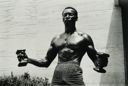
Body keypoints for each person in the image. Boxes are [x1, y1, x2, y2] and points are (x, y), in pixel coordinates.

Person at [16, 7, 109, 86]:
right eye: (65, 15)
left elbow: (95, 60)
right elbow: (46, 62)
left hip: (73, 70)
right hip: (58, 73)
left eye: (70, 14)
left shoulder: (84, 37)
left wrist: (101, 62)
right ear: (62, 18)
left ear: (76, 18)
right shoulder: (56, 39)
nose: (67, 16)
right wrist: (29, 60)